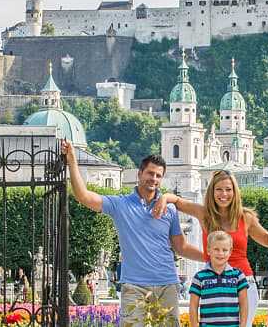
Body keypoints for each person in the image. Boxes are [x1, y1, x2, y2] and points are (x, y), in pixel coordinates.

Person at [62, 140, 202, 326]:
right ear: (139, 174)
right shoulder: (121, 205)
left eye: (158, 175)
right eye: (150, 173)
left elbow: (181, 247)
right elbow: (84, 196)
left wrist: (210, 258)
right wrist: (72, 161)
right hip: (134, 286)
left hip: (167, 284)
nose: (154, 178)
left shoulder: (169, 210)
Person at [155, 170, 268, 326]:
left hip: (243, 283)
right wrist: (164, 198)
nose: (224, 194)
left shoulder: (245, 217)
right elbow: (178, 202)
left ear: (235, 192)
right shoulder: (204, 214)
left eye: (228, 189)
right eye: (219, 189)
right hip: (212, 283)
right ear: (212, 191)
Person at [189, 231, 248, 327]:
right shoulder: (199, 277)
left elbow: (244, 304)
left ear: (230, 251)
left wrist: (243, 325)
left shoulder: (238, 276)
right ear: (208, 250)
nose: (220, 253)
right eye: (216, 249)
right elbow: (193, 306)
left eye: (224, 250)